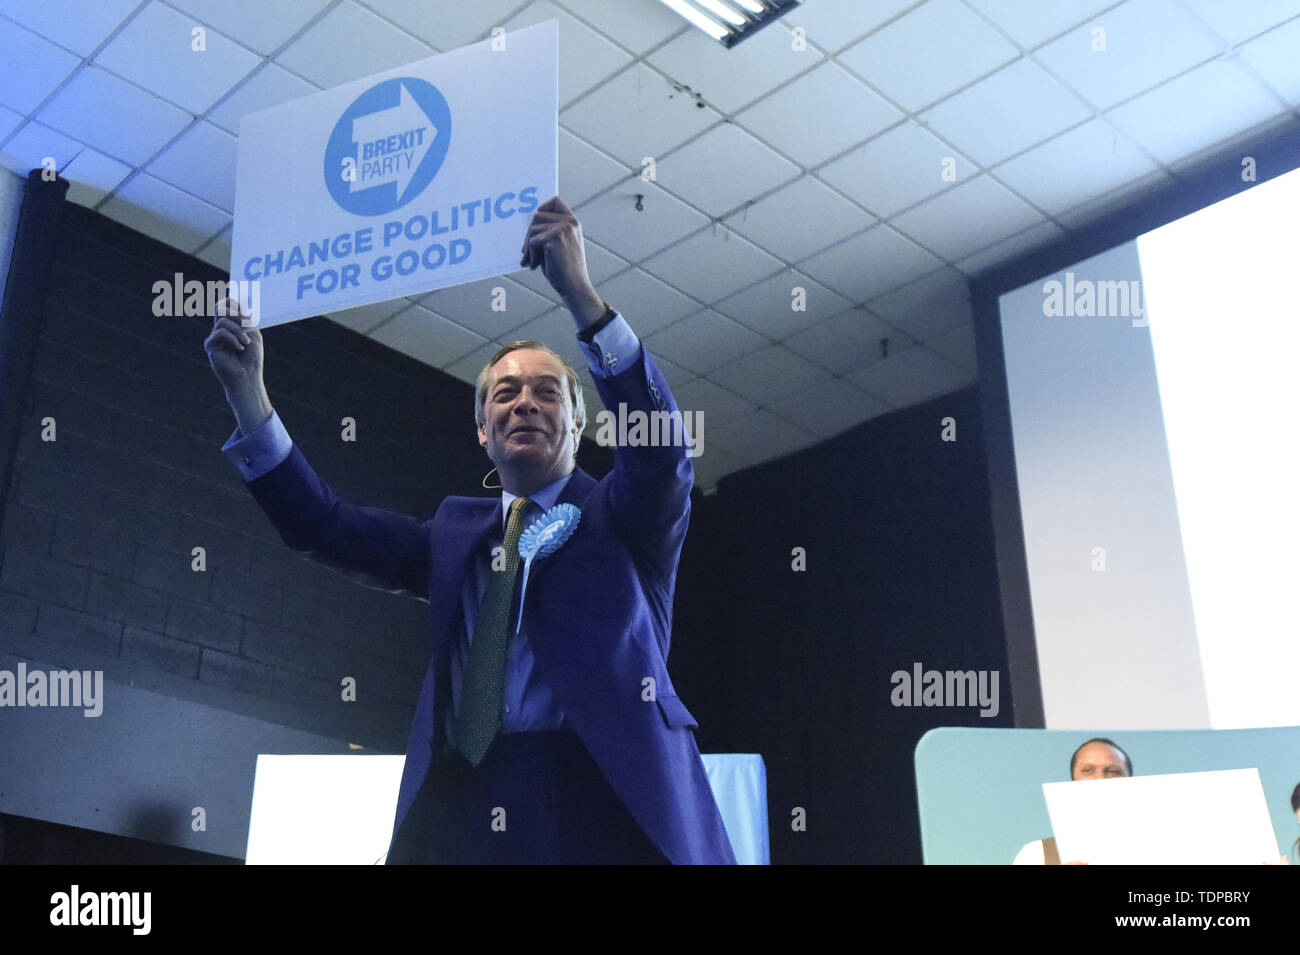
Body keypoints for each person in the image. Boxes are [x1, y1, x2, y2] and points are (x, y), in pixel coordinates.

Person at [204, 196, 735, 864]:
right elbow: (325, 527)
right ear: (484, 431)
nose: (525, 402)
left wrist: (583, 299)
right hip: (469, 802)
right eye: (504, 394)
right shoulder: (451, 535)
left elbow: (661, 454)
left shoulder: (624, 518)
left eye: (547, 392)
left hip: (601, 795)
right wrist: (248, 396)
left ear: (578, 424)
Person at [1012, 737, 1132, 865]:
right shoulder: (1035, 854)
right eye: (1088, 771)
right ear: (1073, 781)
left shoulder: (1153, 847)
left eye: (1113, 771)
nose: (1099, 779)